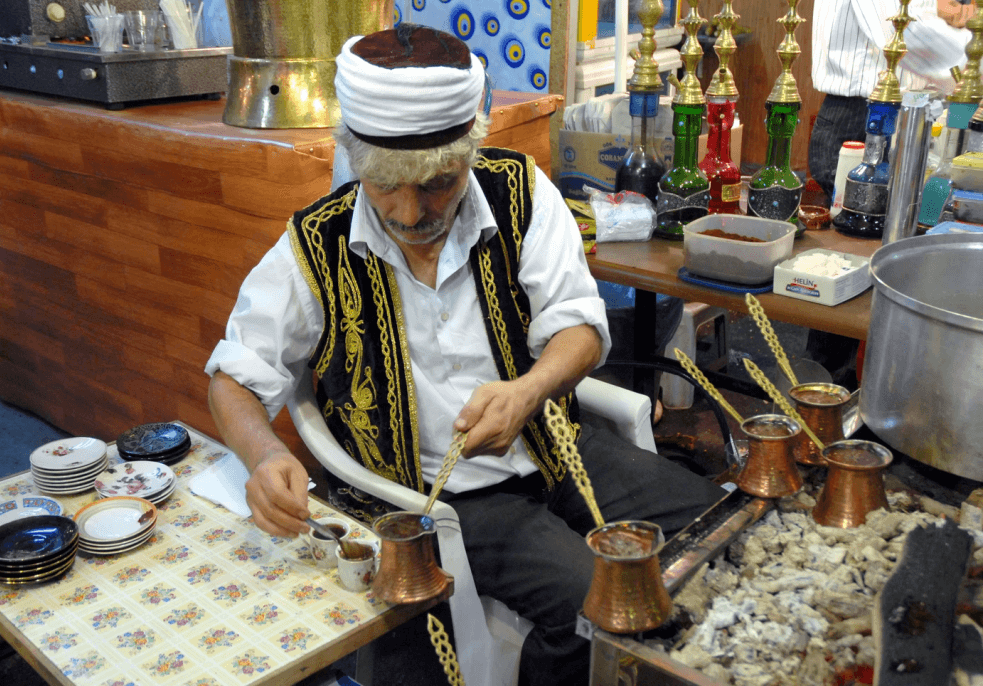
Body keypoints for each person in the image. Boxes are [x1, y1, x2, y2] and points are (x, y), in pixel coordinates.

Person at [205, 24, 725, 686]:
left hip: (553, 442)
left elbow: (583, 328)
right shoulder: (317, 244)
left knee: (718, 526)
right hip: (437, 491)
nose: (410, 209)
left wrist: (530, 389)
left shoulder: (519, 193)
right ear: (357, 158)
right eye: (386, 184)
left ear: (469, 154)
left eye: (437, 184)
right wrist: (267, 455)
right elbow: (234, 377)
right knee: (593, 603)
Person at [808, 0, 968, 199]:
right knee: (862, 215)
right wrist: (972, 55)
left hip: (906, 111)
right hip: (859, 118)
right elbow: (899, 32)